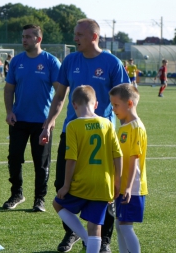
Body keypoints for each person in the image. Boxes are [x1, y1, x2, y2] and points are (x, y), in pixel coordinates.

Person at [39, 18, 130, 253]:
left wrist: (126, 130)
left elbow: (125, 99)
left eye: (79, 34)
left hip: (102, 136)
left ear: (94, 37)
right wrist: (49, 123)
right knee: (63, 185)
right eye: (75, 34)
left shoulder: (112, 63)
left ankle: (103, 241)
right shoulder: (70, 60)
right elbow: (59, 96)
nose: (75, 38)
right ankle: (72, 235)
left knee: (105, 190)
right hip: (72, 133)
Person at [53, 85, 123, 253]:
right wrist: (117, 182)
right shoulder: (107, 124)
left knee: (58, 204)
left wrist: (66, 185)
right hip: (103, 184)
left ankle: (82, 236)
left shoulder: (73, 126)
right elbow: (118, 155)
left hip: (81, 183)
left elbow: (71, 159)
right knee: (95, 227)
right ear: (96, 104)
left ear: (74, 105)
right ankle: (88, 240)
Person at [3, 24, 61, 212]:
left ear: (38, 39)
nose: (24, 40)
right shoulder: (16, 61)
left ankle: (39, 199)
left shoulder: (51, 62)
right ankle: (17, 194)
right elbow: (9, 88)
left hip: (42, 123)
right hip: (18, 120)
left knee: (41, 162)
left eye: (28, 36)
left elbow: (61, 93)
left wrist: (50, 121)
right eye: (23, 36)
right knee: (14, 158)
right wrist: (9, 111)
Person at [109, 83, 148, 253]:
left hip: (132, 187)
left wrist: (127, 186)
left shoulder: (136, 128)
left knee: (125, 227)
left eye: (116, 105)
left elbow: (134, 161)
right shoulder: (124, 127)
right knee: (119, 225)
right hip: (123, 185)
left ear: (130, 103)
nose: (113, 109)